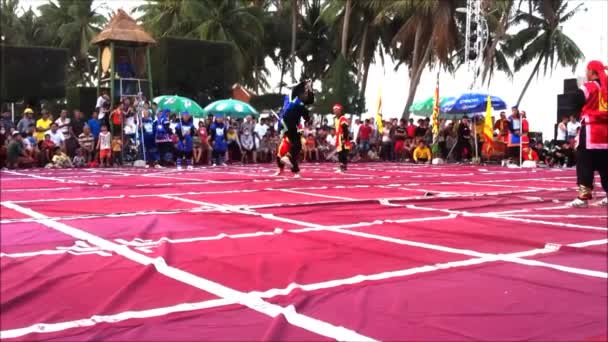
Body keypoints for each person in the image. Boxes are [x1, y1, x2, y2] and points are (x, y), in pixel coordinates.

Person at [567, 60, 608, 207]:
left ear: (592, 71)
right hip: (606, 133)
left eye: (587, 70)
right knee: (605, 164)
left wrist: (578, 111)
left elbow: (575, 100)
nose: (586, 73)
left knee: (585, 162)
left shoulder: (589, 87)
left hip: (591, 131)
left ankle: (583, 197)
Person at [275, 80, 314, 177]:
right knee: (295, 147)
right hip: (290, 124)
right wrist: (305, 84)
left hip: (284, 124)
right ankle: (286, 162)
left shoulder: (289, 100)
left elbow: (309, 100)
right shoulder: (298, 102)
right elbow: (309, 104)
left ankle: (294, 169)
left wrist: (307, 86)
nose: (306, 94)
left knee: (294, 147)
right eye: (305, 93)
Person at [332, 104, 351, 173]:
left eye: (336, 109)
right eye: (334, 109)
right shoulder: (335, 119)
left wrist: (344, 138)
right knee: (340, 153)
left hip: (342, 137)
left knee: (343, 153)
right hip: (338, 137)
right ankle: (342, 167)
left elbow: (345, 129)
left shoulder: (342, 118)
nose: (334, 111)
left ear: (339, 110)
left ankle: (343, 168)